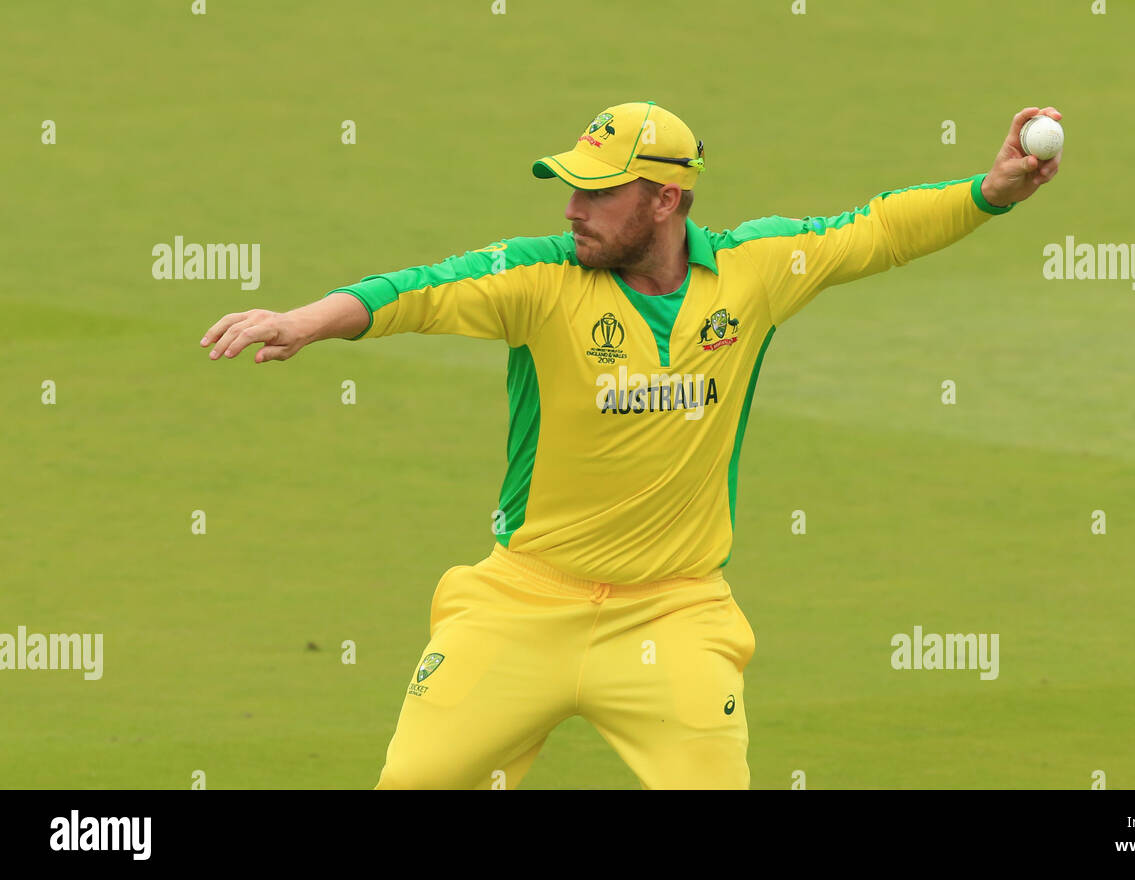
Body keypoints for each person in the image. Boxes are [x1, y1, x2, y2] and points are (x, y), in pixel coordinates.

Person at [199, 100, 1063, 789]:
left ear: (666, 199)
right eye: (571, 188)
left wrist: (992, 193)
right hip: (521, 605)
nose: (574, 209)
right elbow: (418, 291)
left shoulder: (754, 272)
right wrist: (306, 322)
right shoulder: (541, 280)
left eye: (599, 193)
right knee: (413, 782)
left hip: (675, 612)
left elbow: (874, 231)